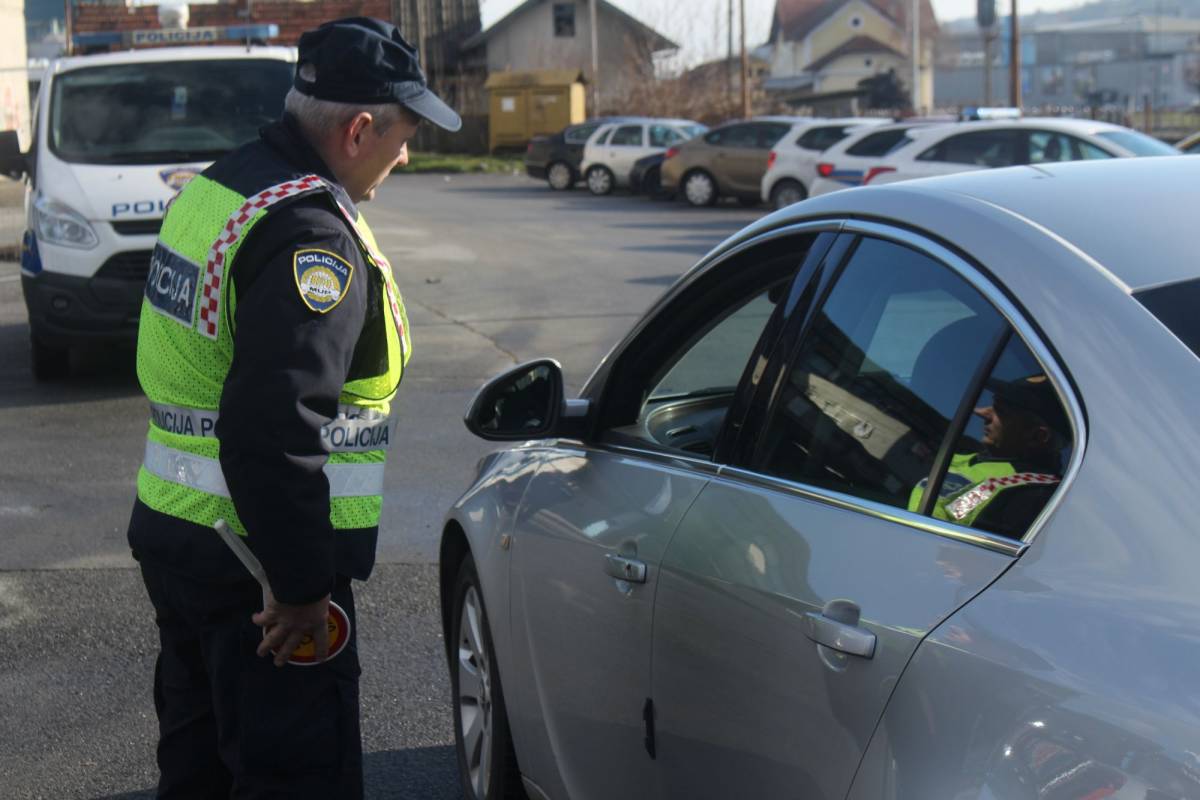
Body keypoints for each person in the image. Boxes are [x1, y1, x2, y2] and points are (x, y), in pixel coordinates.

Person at [126, 17, 460, 798]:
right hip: (261, 573)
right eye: (405, 134)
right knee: (295, 772)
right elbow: (273, 428)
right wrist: (304, 588)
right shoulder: (311, 237)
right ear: (358, 129)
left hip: (180, 537)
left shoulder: (221, 184)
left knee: (198, 765)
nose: (405, 155)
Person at [909, 374, 1069, 537]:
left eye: (1001, 411)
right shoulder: (965, 453)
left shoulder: (1028, 496)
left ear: (1037, 437)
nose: (980, 411)